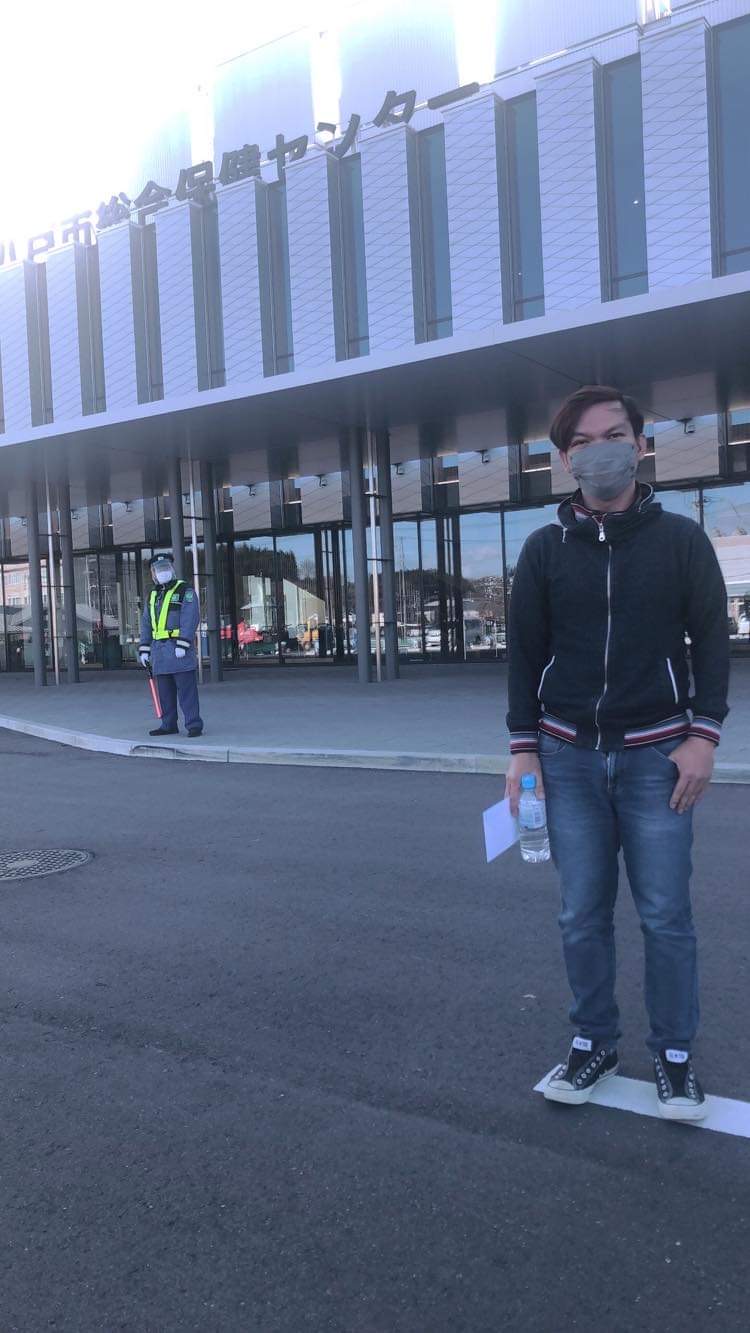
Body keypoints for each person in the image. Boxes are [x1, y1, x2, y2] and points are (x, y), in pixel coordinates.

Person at [506, 386, 729, 1122]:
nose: (600, 450)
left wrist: (703, 736)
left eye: (614, 435)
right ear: (564, 459)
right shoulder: (543, 550)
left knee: (666, 915)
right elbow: (524, 656)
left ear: (639, 445)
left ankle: (674, 1054)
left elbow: (713, 643)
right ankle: (593, 1040)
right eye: (582, 441)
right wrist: (523, 751)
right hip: (567, 758)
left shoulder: (681, 541)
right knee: (580, 914)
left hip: (657, 759)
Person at [138, 552, 203, 738]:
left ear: (172, 569)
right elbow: (146, 623)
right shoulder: (153, 595)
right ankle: (168, 724)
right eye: (157, 570)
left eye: (165, 568)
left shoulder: (184, 590)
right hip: (159, 652)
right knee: (165, 693)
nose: (161, 572)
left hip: (178, 649)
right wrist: (144, 648)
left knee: (187, 692)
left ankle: (193, 725)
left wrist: (183, 643)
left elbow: (190, 617)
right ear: (152, 573)